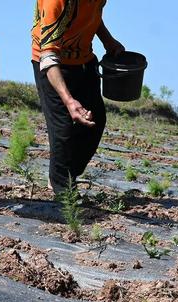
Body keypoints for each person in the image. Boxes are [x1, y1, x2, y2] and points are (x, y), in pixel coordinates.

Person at [31, 0, 125, 196]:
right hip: (51, 66)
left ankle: (65, 174)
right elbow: (47, 55)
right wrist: (69, 101)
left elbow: (92, 15)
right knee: (63, 128)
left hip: (84, 60)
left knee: (95, 121)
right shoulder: (56, 2)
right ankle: (64, 195)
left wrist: (108, 40)